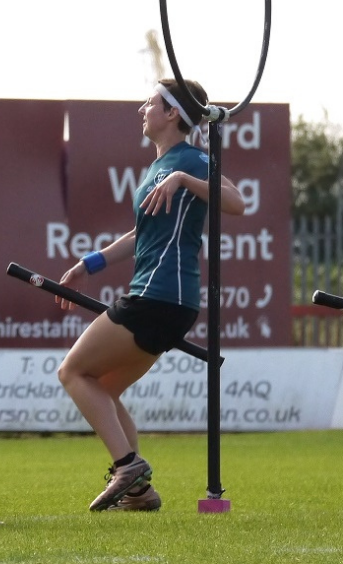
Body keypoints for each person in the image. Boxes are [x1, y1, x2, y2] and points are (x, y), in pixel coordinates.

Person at [56, 79, 246, 513]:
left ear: (173, 113)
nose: (142, 109)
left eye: (150, 102)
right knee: (102, 388)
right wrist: (89, 264)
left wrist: (184, 179)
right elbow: (141, 234)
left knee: (72, 372)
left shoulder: (191, 159)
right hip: (163, 300)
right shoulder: (157, 166)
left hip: (160, 297)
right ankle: (140, 493)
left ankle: (128, 467)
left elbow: (236, 203)